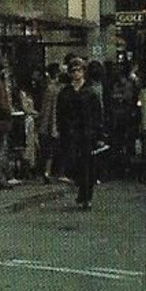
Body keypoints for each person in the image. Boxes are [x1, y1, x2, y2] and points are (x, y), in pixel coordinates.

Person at [55, 56, 105, 210]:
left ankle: (86, 197)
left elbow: (97, 115)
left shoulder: (90, 93)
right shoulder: (65, 92)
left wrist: (99, 135)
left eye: (79, 70)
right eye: (73, 70)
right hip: (70, 133)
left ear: (84, 72)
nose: (76, 73)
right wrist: (60, 130)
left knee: (87, 165)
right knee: (74, 164)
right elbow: (60, 113)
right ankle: (81, 192)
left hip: (87, 133)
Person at [36, 64, 62, 183]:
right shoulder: (55, 89)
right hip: (51, 123)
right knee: (50, 149)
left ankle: (45, 172)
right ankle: (47, 172)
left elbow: (45, 109)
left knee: (46, 149)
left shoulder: (48, 88)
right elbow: (52, 109)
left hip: (46, 123)